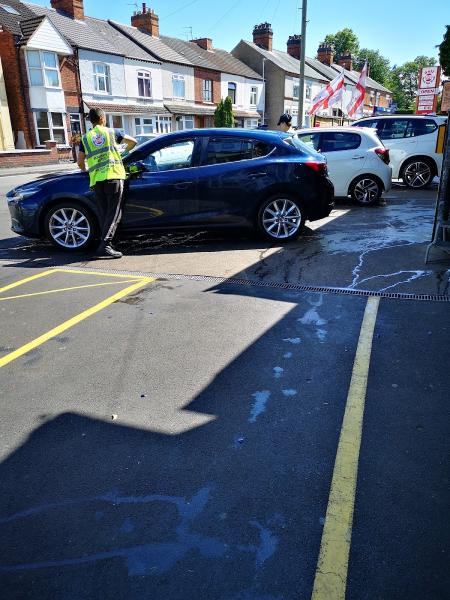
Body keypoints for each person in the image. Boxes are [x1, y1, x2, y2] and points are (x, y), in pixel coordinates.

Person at [77, 108, 137, 258]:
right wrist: (122, 153)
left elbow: (80, 162)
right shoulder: (111, 132)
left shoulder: (85, 138)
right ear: (103, 119)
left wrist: (86, 171)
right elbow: (133, 142)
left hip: (97, 180)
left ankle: (108, 243)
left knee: (104, 213)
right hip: (114, 176)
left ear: (91, 121)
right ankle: (105, 245)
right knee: (114, 213)